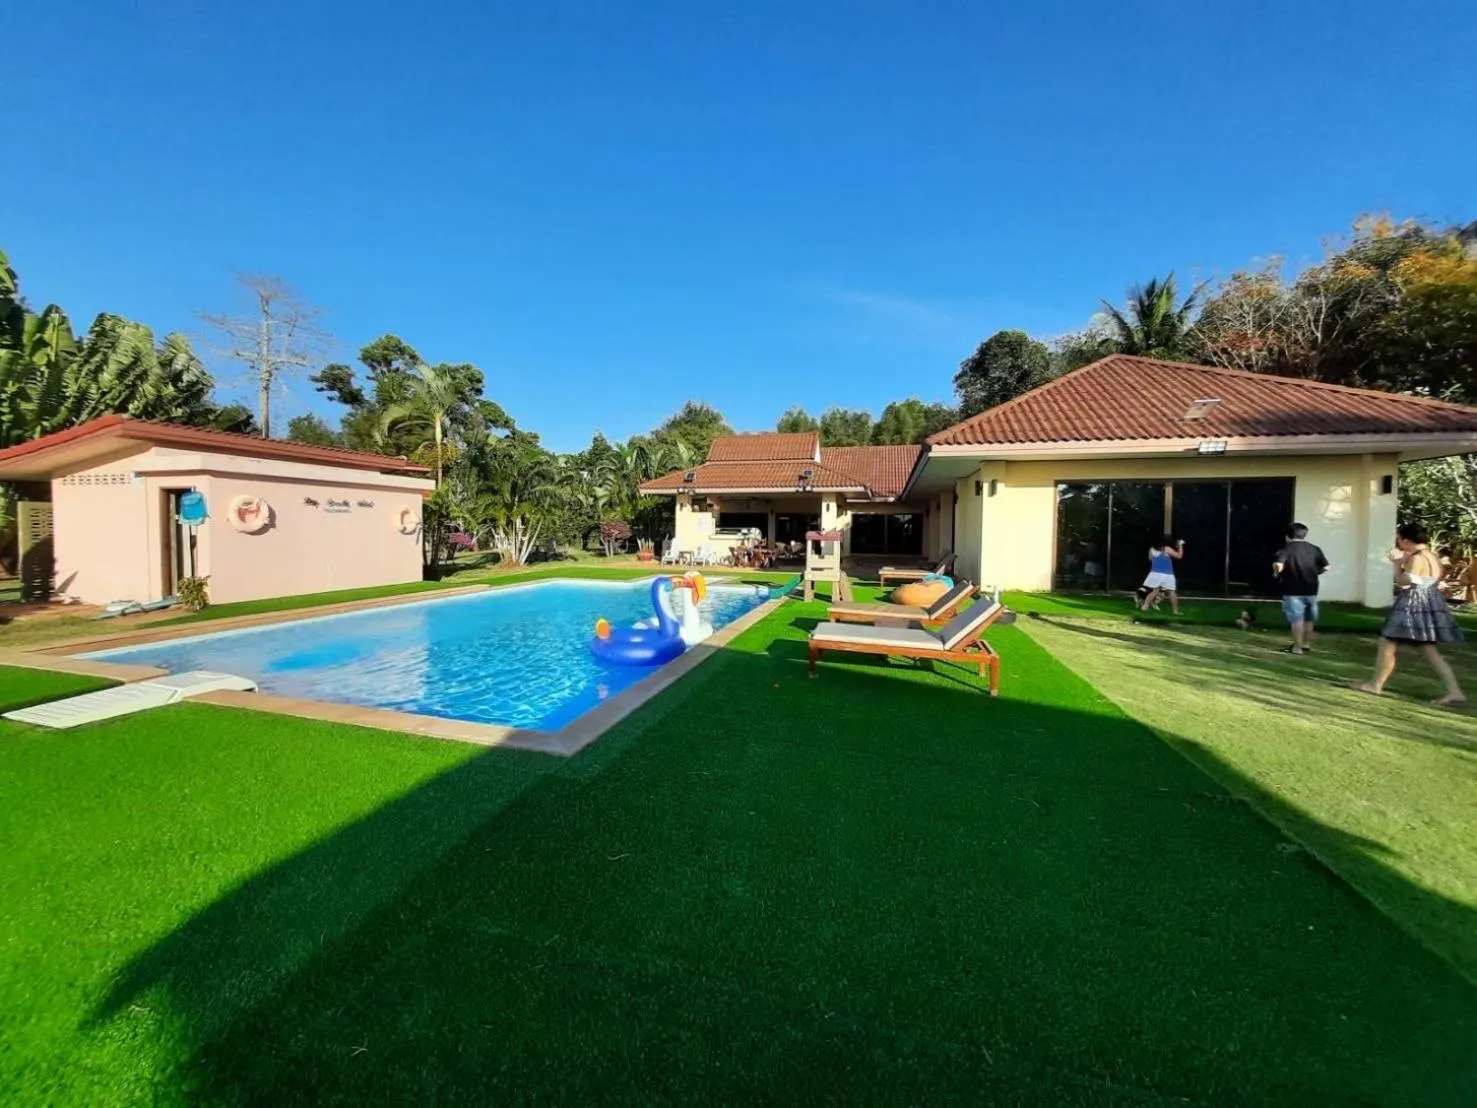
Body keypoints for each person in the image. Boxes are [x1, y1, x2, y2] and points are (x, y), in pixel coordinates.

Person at [1351, 523, 1465, 707]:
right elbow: (1426, 579)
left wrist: (1397, 564)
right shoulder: (1432, 556)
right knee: (1428, 650)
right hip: (1430, 601)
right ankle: (1455, 691)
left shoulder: (1417, 558)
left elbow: (1403, 582)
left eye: (1398, 538)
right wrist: (1404, 562)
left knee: (1387, 642)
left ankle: (1375, 685)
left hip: (1414, 604)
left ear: (1405, 540)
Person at [1273, 523, 1330, 655]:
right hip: (1311, 589)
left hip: (1292, 590)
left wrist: (1276, 573)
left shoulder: (1286, 549)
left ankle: (1297, 648)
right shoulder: (1315, 549)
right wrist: (1315, 573)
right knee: (1309, 619)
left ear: (1287, 536)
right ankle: (1306, 643)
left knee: (1297, 619)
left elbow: (1278, 565)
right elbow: (1326, 567)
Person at [1141, 535, 1183, 614]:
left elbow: (1150, 559)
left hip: (1155, 573)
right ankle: (1175, 611)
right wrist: (1180, 546)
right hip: (1167, 574)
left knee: (1154, 591)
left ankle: (1145, 607)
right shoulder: (1167, 549)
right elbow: (1179, 556)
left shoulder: (1151, 549)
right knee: (1172, 592)